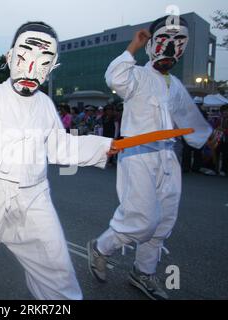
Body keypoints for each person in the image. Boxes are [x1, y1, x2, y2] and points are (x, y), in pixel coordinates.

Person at [0, 21, 119, 300]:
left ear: (52, 66)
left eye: (43, 63)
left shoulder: (45, 104)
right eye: (24, 58)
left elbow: (61, 148)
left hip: (35, 197)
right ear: (10, 57)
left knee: (56, 263)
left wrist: (104, 146)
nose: (32, 70)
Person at [86, 16, 212, 300]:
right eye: (166, 40)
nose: (172, 48)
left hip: (169, 158)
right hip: (138, 156)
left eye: (179, 42)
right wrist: (133, 46)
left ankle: (143, 272)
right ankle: (100, 248)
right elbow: (114, 79)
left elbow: (190, 118)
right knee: (142, 218)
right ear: (152, 45)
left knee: (163, 222)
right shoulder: (137, 76)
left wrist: (207, 136)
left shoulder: (176, 85)